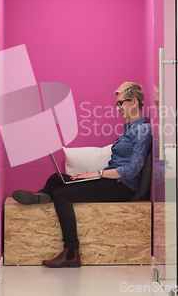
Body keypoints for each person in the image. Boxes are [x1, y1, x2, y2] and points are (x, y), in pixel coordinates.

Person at [12, 82, 152, 268]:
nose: (117, 107)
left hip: (122, 186)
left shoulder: (143, 130)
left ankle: (71, 252)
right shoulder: (130, 129)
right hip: (112, 181)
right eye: (117, 103)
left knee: (62, 193)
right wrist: (92, 175)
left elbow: (132, 170)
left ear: (134, 101)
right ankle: (42, 196)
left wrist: (98, 173)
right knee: (56, 179)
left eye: (121, 103)